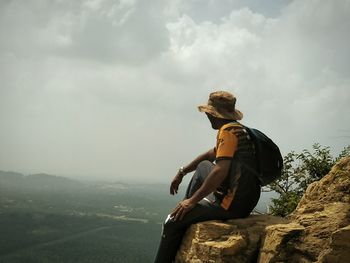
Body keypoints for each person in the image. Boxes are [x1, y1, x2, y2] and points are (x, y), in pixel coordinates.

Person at [154, 91, 261, 263]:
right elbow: (209, 156)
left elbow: (220, 170)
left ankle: (181, 216)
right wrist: (182, 171)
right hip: (247, 200)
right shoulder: (239, 130)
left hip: (232, 205)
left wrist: (192, 201)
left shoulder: (227, 132)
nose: (207, 116)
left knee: (171, 222)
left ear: (214, 114)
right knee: (204, 167)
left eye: (208, 113)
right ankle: (186, 212)